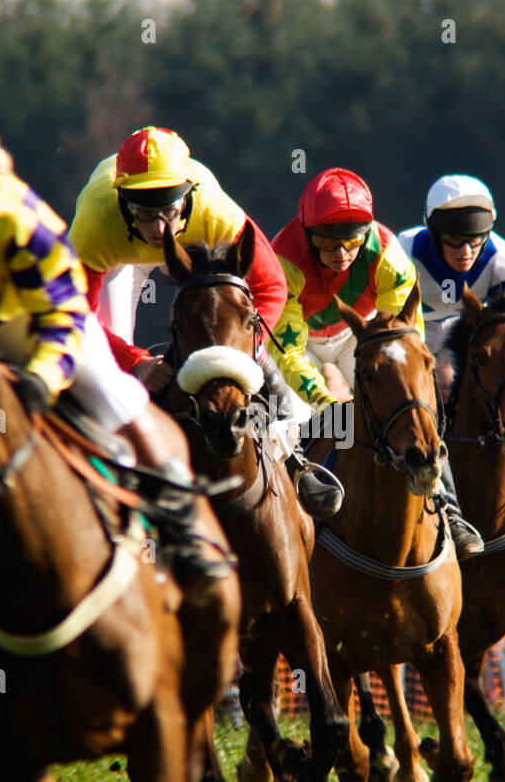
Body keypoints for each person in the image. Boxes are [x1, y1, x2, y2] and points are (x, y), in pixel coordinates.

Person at [0, 89, 231, 645]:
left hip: (31, 323)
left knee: (118, 398)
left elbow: (65, 309)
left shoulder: (2, 209)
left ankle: (184, 525)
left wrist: (41, 376)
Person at [68, 127, 337, 518]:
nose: (160, 229)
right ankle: (113, 477)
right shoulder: (95, 223)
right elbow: (77, 316)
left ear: (187, 196)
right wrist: (133, 360)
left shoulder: (217, 212)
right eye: (146, 212)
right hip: (119, 262)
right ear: (123, 200)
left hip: (197, 252)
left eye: (169, 209)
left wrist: (243, 350)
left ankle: (294, 459)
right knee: (109, 372)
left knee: (235, 339)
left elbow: (271, 286)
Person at [270, 167, 482, 558]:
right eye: (328, 241)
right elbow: (288, 351)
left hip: (361, 335)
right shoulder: (284, 259)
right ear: (306, 232)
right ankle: (281, 518)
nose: (342, 253)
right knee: (291, 415)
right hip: (299, 344)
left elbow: (407, 343)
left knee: (410, 407)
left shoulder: (388, 256)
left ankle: (448, 507)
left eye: (351, 241)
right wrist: (324, 400)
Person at [399, 173, 505, 546]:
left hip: (474, 337)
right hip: (415, 334)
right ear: (433, 233)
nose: (466, 252)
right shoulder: (402, 252)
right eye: (455, 242)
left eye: (475, 242)